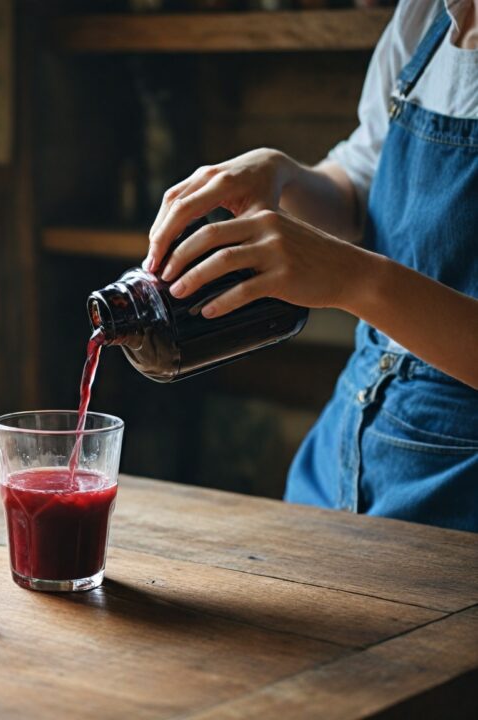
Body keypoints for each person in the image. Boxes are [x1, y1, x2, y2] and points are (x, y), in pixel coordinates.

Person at [143, 0, 478, 532]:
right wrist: (285, 175)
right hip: (336, 464)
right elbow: (360, 188)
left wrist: (354, 279)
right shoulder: (423, 19)